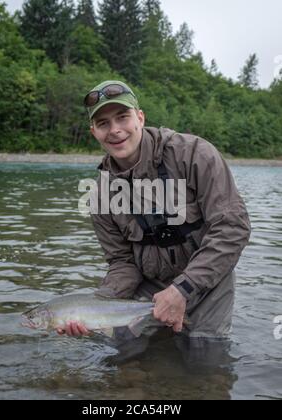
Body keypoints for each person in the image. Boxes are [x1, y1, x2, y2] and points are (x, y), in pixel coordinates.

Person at [57, 80, 251, 345]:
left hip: (208, 283)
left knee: (207, 361)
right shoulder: (99, 194)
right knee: (122, 353)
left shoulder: (194, 154)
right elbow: (122, 262)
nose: (115, 130)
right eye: (103, 123)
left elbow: (233, 228)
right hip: (150, 286)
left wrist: (183, 288)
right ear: (94, 132)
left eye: (122, 117)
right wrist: (97, 307)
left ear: (140, 117)